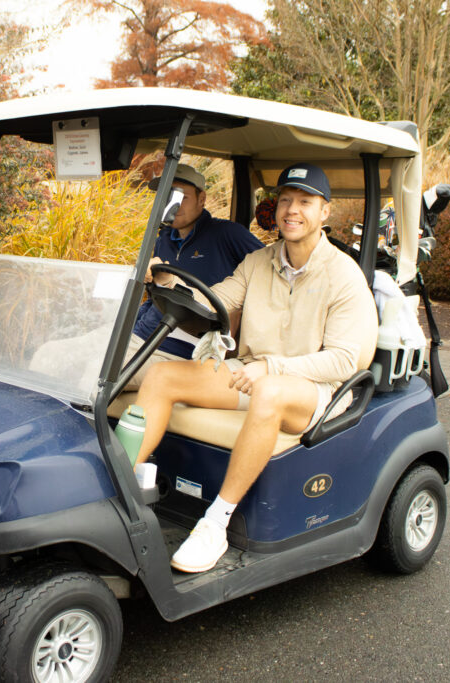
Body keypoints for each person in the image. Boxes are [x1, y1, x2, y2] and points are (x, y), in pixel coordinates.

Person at [133, 162, 379, 573]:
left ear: (324, 212)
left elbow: (344, 359)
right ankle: (123, 492)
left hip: (315, 390)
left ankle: (216, 523)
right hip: (251, 374)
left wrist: (271, 367)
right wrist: (169, 285)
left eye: (304, 202)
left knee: (269, 390)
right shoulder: (259, 262)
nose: (292, 210)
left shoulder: (343, 275)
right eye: (285, 200)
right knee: (162, 376)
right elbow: (215, 300)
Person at [124, 164, 263, 389]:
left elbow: (269, 268)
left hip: (183, 346)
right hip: (145, 334)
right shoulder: (164, 240)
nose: (174, 204)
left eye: (182, 196)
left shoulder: (227, 234)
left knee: (98, 370)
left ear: (202, 198)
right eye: (168, 196)